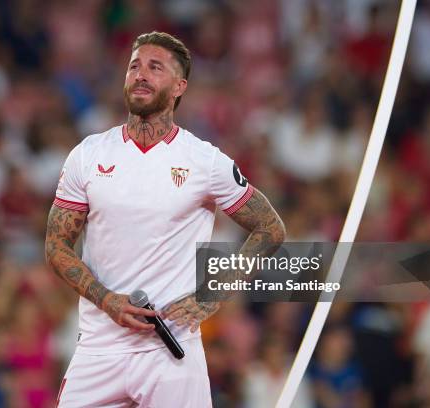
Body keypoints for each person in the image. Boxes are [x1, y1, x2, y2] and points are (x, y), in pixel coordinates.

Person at [45, 31, 285, 407]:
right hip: (98, 348)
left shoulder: (205, 161)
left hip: (171, 351)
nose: (140, 74)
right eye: (134, 66)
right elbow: (56, 245)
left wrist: (211, 294)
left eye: (154, 67)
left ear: (179, 86)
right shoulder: (87, 155)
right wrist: (106, 300)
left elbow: (270, 228)